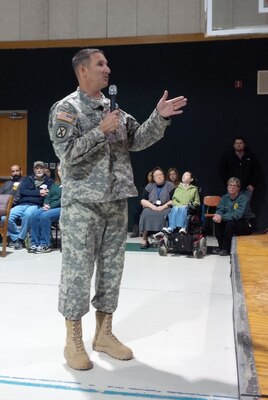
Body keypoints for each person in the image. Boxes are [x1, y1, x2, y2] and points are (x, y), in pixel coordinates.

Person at [48, 47, 187, 371]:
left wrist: (159, 116)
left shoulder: (114, 110)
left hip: (115, 204)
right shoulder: (66, 109)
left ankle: (104, 335)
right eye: (100, 64)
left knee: (112, 273)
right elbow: (66, 153)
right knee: (77, 274)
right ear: (83, 71)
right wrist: (100, 131)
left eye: (107, 63)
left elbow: (136, 139)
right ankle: (73, 341)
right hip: (83, 204)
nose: (107, 68)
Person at [7, 161, 53, 249]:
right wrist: (39, 192)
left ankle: (20, 240)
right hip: (22, 204)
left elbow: (47, 195)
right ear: (34, 170)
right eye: (37, 168)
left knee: (28, 215)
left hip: (36, 205)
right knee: (7, 217)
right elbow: (22, 191)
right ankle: (16, 238)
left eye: (41, 168)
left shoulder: (50, 182)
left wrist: (31, 193)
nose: (39, 170)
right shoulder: (27, 179)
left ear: (44, 169)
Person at [212, 177, 255, 256]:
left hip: (246, 224)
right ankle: (221, 246)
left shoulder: (243, 199)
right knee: (217, 222)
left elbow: (237, 215)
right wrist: (218, 215)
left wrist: (222, 217)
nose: (232, 187)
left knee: (230, 223)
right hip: (231, 221)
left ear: (238, 188)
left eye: (234, 186)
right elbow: (220, 209)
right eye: (230, 185)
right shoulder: (224, 198)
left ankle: (226, 248)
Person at [28, 164, 62, 253]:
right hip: (49, 207)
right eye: (58, 171)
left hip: (61, 208)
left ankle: (45, 244)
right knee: (35, 214)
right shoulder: (56, 184)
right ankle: (34, 243)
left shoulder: (69, 185)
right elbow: (48, 196)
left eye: (62, 170)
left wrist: (51, 207)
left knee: (44, 216)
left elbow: (62, 199)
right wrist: (45, 204)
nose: (60, 173)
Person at [139, 167, 175, 248]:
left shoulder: (170, 185)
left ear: (164, 176)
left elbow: (174, 200)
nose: (159, 177)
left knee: (167, 214)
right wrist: (153, 207)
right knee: (145, 213)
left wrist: (162, 207)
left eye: (160, 175)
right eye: (156, 175)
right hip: (151, 207)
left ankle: (164, 239)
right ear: (153, 178)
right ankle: (144, 238)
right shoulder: (150, 186)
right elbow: (143, 200)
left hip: (165, 207)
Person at [129, 170, 153, 238]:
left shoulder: (157, 186)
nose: (151, 177)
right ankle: (136, 231)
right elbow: (142, 199)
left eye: (152, 175)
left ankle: (151, 232)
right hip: (145, 204)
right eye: (150, 175)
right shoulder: (144, 187)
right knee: (136, 211)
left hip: (154, 205)